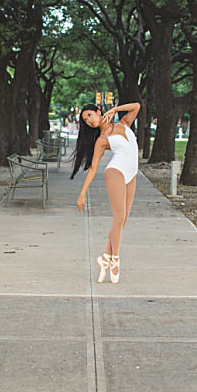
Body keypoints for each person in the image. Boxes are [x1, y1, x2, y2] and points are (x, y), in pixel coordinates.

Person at [71, 100, 141, 284]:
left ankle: (105, 257)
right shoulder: (102, 140)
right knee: (118, 218)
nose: (89, 121)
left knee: (123, 219)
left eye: (90, 116)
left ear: (99, 111)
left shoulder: (124, 123)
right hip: (115, 172)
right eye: (86, 121)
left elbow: (136, 106)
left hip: (132, 174)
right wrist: (82, 193)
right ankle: (115, 260)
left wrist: (115, 109)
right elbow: (93, 168)